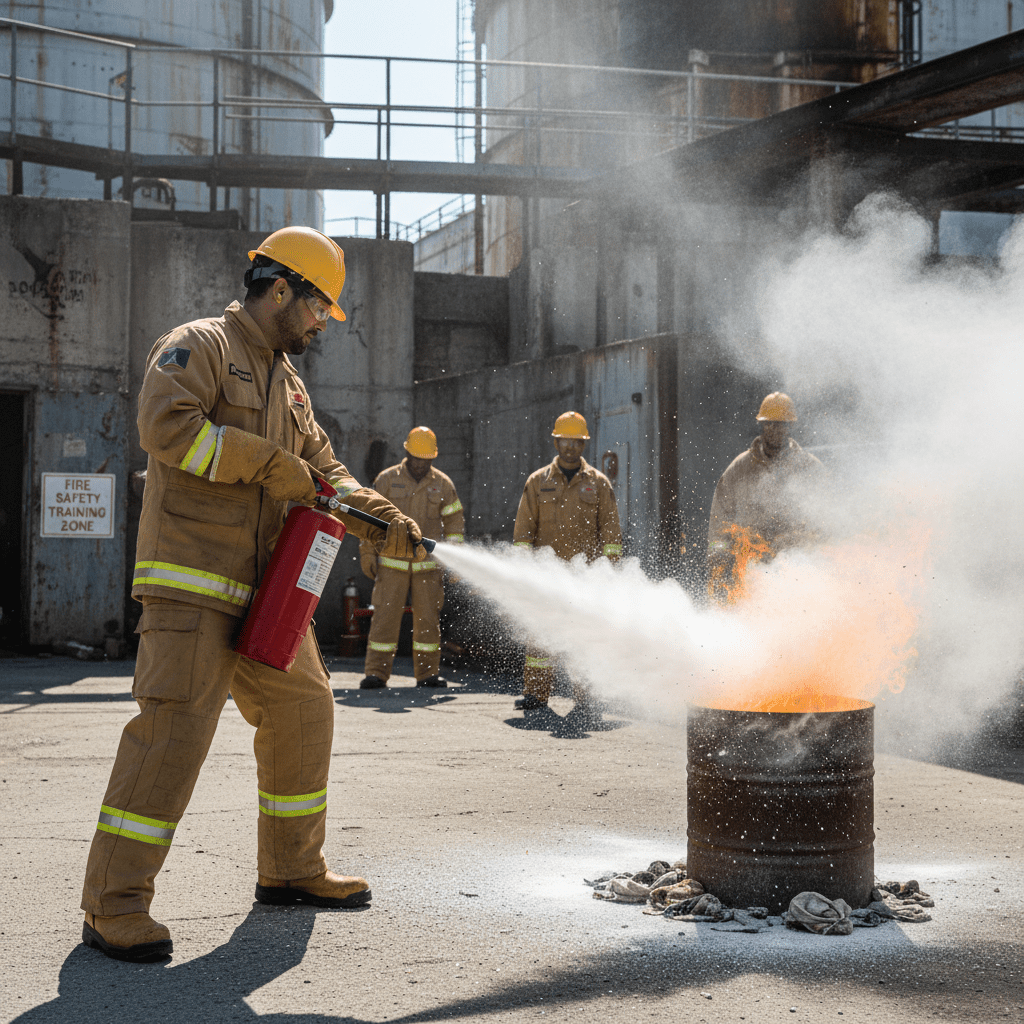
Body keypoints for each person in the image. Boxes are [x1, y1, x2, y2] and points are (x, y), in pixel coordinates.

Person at [80, 226, 426, 963]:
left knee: (305, 706)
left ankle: (292, 869)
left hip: (268, 592)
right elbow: (166, 427)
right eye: (315, 309)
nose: (317, 326)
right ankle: (113, 906)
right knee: (173, 734)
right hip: (193, 583)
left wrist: (381, 518)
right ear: (280, 290)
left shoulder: (288, 384)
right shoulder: (199, 346)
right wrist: (266, 463)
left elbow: (324, 472)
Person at [511, 411, 622, 727]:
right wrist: (522, 568)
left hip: (584, 578)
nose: (571, 447)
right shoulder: (537, 482)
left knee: (583, 638)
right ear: (556, 441)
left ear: (583, 444)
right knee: (540, 636)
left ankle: (587, 698)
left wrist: (609, 573)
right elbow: (523, 531)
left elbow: (611, 533)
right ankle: (535, 693)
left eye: (577, 441)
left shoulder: (598, 484)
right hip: (546, 576)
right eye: (566, 440)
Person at [358, 427, 465, 688]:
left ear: (433, 458)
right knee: (384, 618)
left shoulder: (443, 484)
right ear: (407, 453)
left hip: (427, 567)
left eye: (426, 458)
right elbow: (369, 519)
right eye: (417, 457)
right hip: (392, 563)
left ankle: (427, 674)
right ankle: (376, 673)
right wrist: (367, 552)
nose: (421, 463)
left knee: (428, 621)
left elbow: (454, 524)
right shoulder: (386, 479)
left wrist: (455, 562)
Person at [707, 391, 824, 603]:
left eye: (780, 424)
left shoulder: (810, 469)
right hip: (751, 572)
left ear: (790, 426)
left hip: (798, 574)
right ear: (761, 425)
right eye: (769, 423)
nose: (774, 429)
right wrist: (718, 558)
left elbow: (827, 521)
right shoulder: (740, 469)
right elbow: (720, 520)